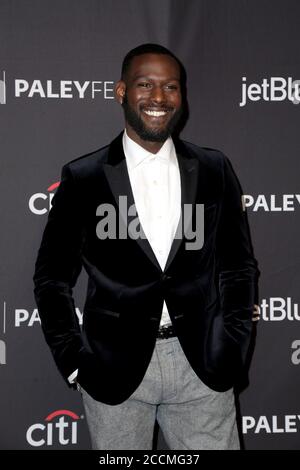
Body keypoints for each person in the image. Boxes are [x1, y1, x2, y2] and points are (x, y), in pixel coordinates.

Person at [33, 43, 259, 450]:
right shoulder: (84, 178)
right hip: (112, 370)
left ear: (182, 96)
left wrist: (235, 344)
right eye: (145, 84)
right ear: (122, 92)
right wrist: (73, 362)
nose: (159, 97)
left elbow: (238, 266)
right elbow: (52, 278)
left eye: (171, 87)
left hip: (203, 366)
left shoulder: (213, 168)